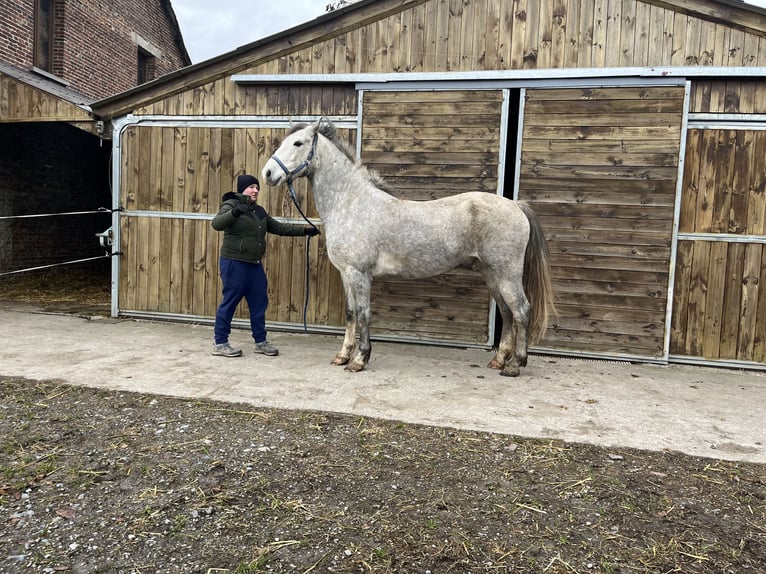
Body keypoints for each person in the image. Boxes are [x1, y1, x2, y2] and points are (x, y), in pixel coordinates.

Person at [210, 174, 320, 357]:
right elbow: (217, 224)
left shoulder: (259, 211)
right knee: (229, 302)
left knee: (259, 302)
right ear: (243, 189)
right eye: (252, 187)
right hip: (234, 263)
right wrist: (236, 212)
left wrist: (305, 230)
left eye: (257, 187)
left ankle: (260, 341)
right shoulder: (231, 205)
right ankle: (220, 342)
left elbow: (279, 228)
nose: (255, 190)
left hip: (254, 265)